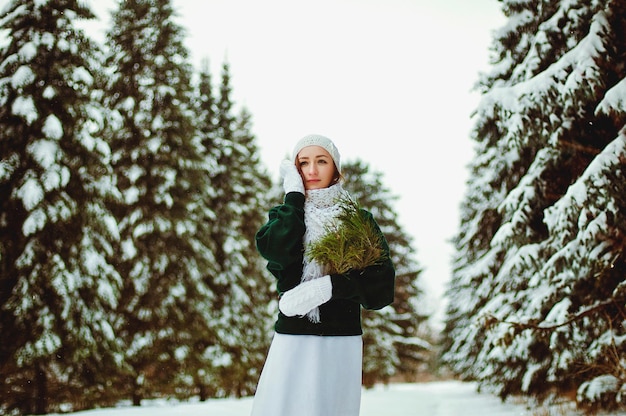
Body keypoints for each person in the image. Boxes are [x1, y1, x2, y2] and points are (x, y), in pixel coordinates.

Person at [251, 134, 396, 416]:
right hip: (293, 339)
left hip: (341, 342)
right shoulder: (285, 216)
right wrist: (293, 199)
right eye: (303, 163)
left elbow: (382, 285)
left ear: (335, 168)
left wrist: (331, 286)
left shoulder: (358, 220)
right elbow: (277, 251)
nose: (312, 170)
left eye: (321, 161)